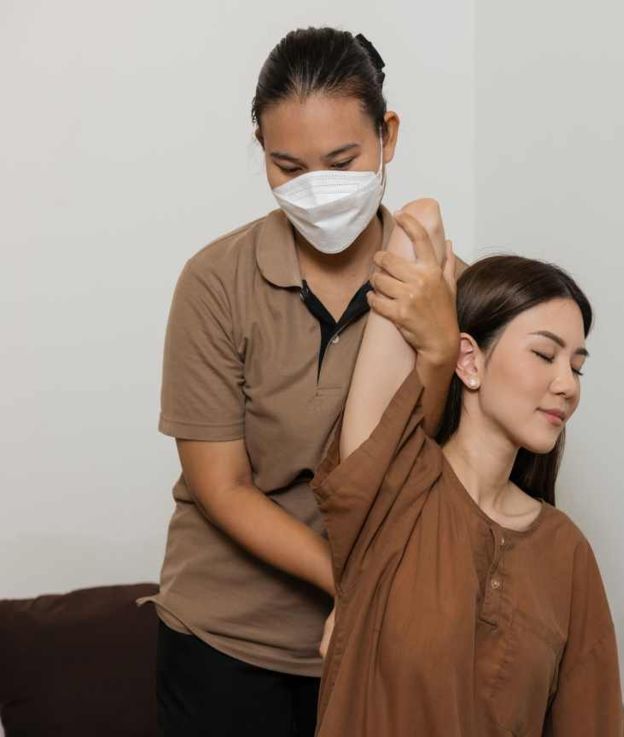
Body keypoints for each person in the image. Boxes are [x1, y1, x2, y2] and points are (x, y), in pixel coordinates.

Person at [139, 27, 464, 736]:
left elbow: (441, 467)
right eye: (288, 166)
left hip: (383, 638)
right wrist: (350, 581)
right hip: (224, 640)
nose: (318, 189)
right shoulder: (215, 282)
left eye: (342, 162)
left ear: (388, 135)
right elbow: (223, 486)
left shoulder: (445, 285)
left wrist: (440, 349)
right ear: (261, 151)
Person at [311, 205, 624, 736]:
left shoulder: (566, 552)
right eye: (544, 355)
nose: (567, 385)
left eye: (577, 367)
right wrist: (442, 339)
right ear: (470, 361)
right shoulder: (394, 488)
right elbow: (416, 225)